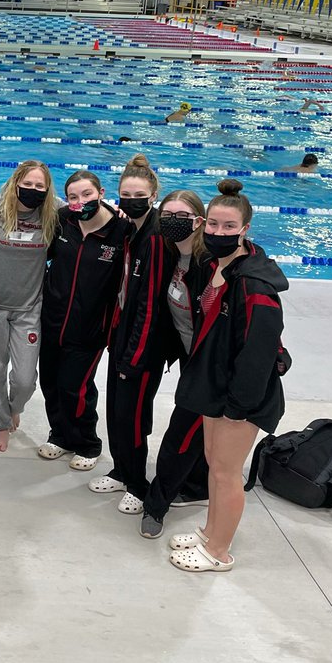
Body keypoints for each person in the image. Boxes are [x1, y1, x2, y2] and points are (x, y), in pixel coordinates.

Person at [170, 180, 289, 573]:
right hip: (215, 385)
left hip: (242, 397)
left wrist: (240, 406)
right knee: (212, 462)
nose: (219, 233)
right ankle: (210, 532)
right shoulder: (216, 266)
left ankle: (219, 551)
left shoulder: (254, 284)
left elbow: (259, 351)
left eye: (229, 227)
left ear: (245, 230)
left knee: (226, 472)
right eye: (214, 226)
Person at [37, 171, 133, 469]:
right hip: (53, 319)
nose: (81, 202)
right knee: (50, 382)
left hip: (91, 327)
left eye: (87, 195)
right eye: (74, 197)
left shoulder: (121, 230)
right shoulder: (63, 220)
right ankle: (61, 435)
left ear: (101, 192)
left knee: (75, 387)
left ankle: (87, 443)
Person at [140, 190, 214, 539]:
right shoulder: (171, 255)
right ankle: (198, 485)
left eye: (181, 216)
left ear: (199, 221)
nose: (172, 221)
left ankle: (156, 505)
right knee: (198, 430)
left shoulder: (210, 264)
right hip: (188, 356)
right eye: (166, 214)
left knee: (179, 435)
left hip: (211, 368)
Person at [94, 155, 166, 515]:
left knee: (133, 416)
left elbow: (150, 305)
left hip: (143, 346)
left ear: (153, 195)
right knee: (117, 410)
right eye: (125, 193)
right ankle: (121, 470)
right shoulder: (132, 230)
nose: (131, 199)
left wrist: (134, 357)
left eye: (139, 193)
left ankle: (138, 484)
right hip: (122, 336)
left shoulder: (153, 239)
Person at [0, 161, 58, 453]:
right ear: (15, 182)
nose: (32, 190)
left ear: (47, 190)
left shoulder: (53, 212)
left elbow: (86, 210)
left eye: (39, 186)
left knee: (24, 379)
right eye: (28, 184)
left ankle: (16, 406)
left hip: (29, 309)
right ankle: (1, 423)